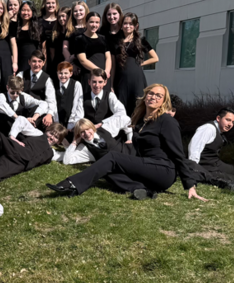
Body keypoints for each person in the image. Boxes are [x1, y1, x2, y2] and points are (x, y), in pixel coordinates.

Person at [47, 83, 206, 201]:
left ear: (164, 102)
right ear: (145, 97)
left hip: (163, 170)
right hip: (147, 166)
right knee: (107, 166)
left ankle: (72, 184)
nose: (153, 97)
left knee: (112, 158)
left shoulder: (166, 121)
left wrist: (189, 185)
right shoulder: (142, 121)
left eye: (159, 95)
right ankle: (142, 190)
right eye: (151, 93)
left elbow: (178, 154)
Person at [0, 113, 55, 187]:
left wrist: (66, 144)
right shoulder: (38, 133)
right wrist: (12, 137)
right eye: (51, 133)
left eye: (56, 137)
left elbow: (66, 158)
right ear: (47, 130)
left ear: (58, 142)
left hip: (20, 163)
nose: (52, 137)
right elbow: (21, 119)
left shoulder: (52, 153)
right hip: (14, 148)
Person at [113, 12, 158, 107]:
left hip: (136, 79)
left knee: (137, 105)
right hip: (120, 79)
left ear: (136, 26)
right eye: (125, 23)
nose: (127, 26)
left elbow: (155, 58)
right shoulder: (116, 41)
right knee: (120, 105)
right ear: (121, 25)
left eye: (131, 24)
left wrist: (141, 63)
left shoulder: (141, 40)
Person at [61, 118, 134, 165]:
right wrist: (74, 142)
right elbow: (67, 161)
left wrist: (129, 138)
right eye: (82, 132)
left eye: (88, 129)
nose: (86, 133)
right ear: (79, 135)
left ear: (92, 127)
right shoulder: (84, 149)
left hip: (131, 152)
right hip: (120, 166)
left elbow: (125, 119)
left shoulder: (105, 128)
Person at [71, 12, 111, 82]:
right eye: (91, 22)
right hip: (89, 76)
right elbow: (83, 60)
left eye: (97, 22)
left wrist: (107, 71)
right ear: (86, 23)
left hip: (104, 76)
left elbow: (108, 57)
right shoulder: (79, 39)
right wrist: (99, 71)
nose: (94, 25)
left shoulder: (103, 38)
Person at [24, 49, 58, 117]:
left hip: (40, 113)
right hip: (23, 111)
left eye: (39, 61)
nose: (37, 64)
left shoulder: (47, 79)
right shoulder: (22, 75)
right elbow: (15, 91)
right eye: (34, 61)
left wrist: (49, 115)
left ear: (43, 63)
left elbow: (51, 100)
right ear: (29, 62)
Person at [15, 1, 43, 80]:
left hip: (35, 61)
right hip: (20, 61)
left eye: (28, 10)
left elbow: (43, 47)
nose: (25, 12)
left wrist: (42, 62)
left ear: (32, 12)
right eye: (23, 10)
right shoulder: (16, 27)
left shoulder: (38, 27)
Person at [54, 61, 83, 128]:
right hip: (58, 121)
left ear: (71, 74)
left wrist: (72, 123)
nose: (63, 76)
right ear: (57, 73)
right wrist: (56, 122)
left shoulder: (76, 85)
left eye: (66, 73)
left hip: (72, 122)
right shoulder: (54, 85)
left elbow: (78, 104)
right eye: (60, 73)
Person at [62, 1, 89, 67]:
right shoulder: (69, 29)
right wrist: (71, 63)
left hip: (88, 62)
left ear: (85, 11)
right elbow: (65, 48)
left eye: (80, 10)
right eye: (75, 11)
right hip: (73, 64)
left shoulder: (91, 28)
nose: (78, 13)